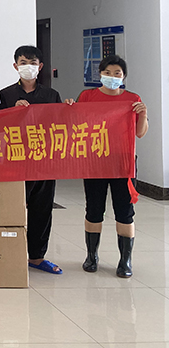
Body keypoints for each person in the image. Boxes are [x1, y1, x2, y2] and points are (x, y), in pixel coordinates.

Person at [0, 45, 69, 275]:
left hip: (44, 162)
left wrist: (69, 110)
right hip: (14, 161)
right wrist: (12, 112)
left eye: (32, 63)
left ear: (40, 67)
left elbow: (62, 125)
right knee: (12, 208)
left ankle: (37, 257)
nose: (27, 66)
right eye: (23, 62)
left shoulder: (51, 95)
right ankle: (9, 255)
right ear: (15, 66)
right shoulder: (5, 95)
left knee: (42, 209)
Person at [77, 55, 148, 278]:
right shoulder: (87, 97)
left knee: (125, 212)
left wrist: (143, 114)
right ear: (100, 74)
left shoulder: (132, 99)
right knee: (94, 209)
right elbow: (74, 123)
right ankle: (91, 256)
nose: (112, 77)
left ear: (123, 76)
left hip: (123, 164)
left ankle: (125, 260)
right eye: (107, 72)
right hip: (95, 163)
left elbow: (140, 132)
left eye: (117, 73)